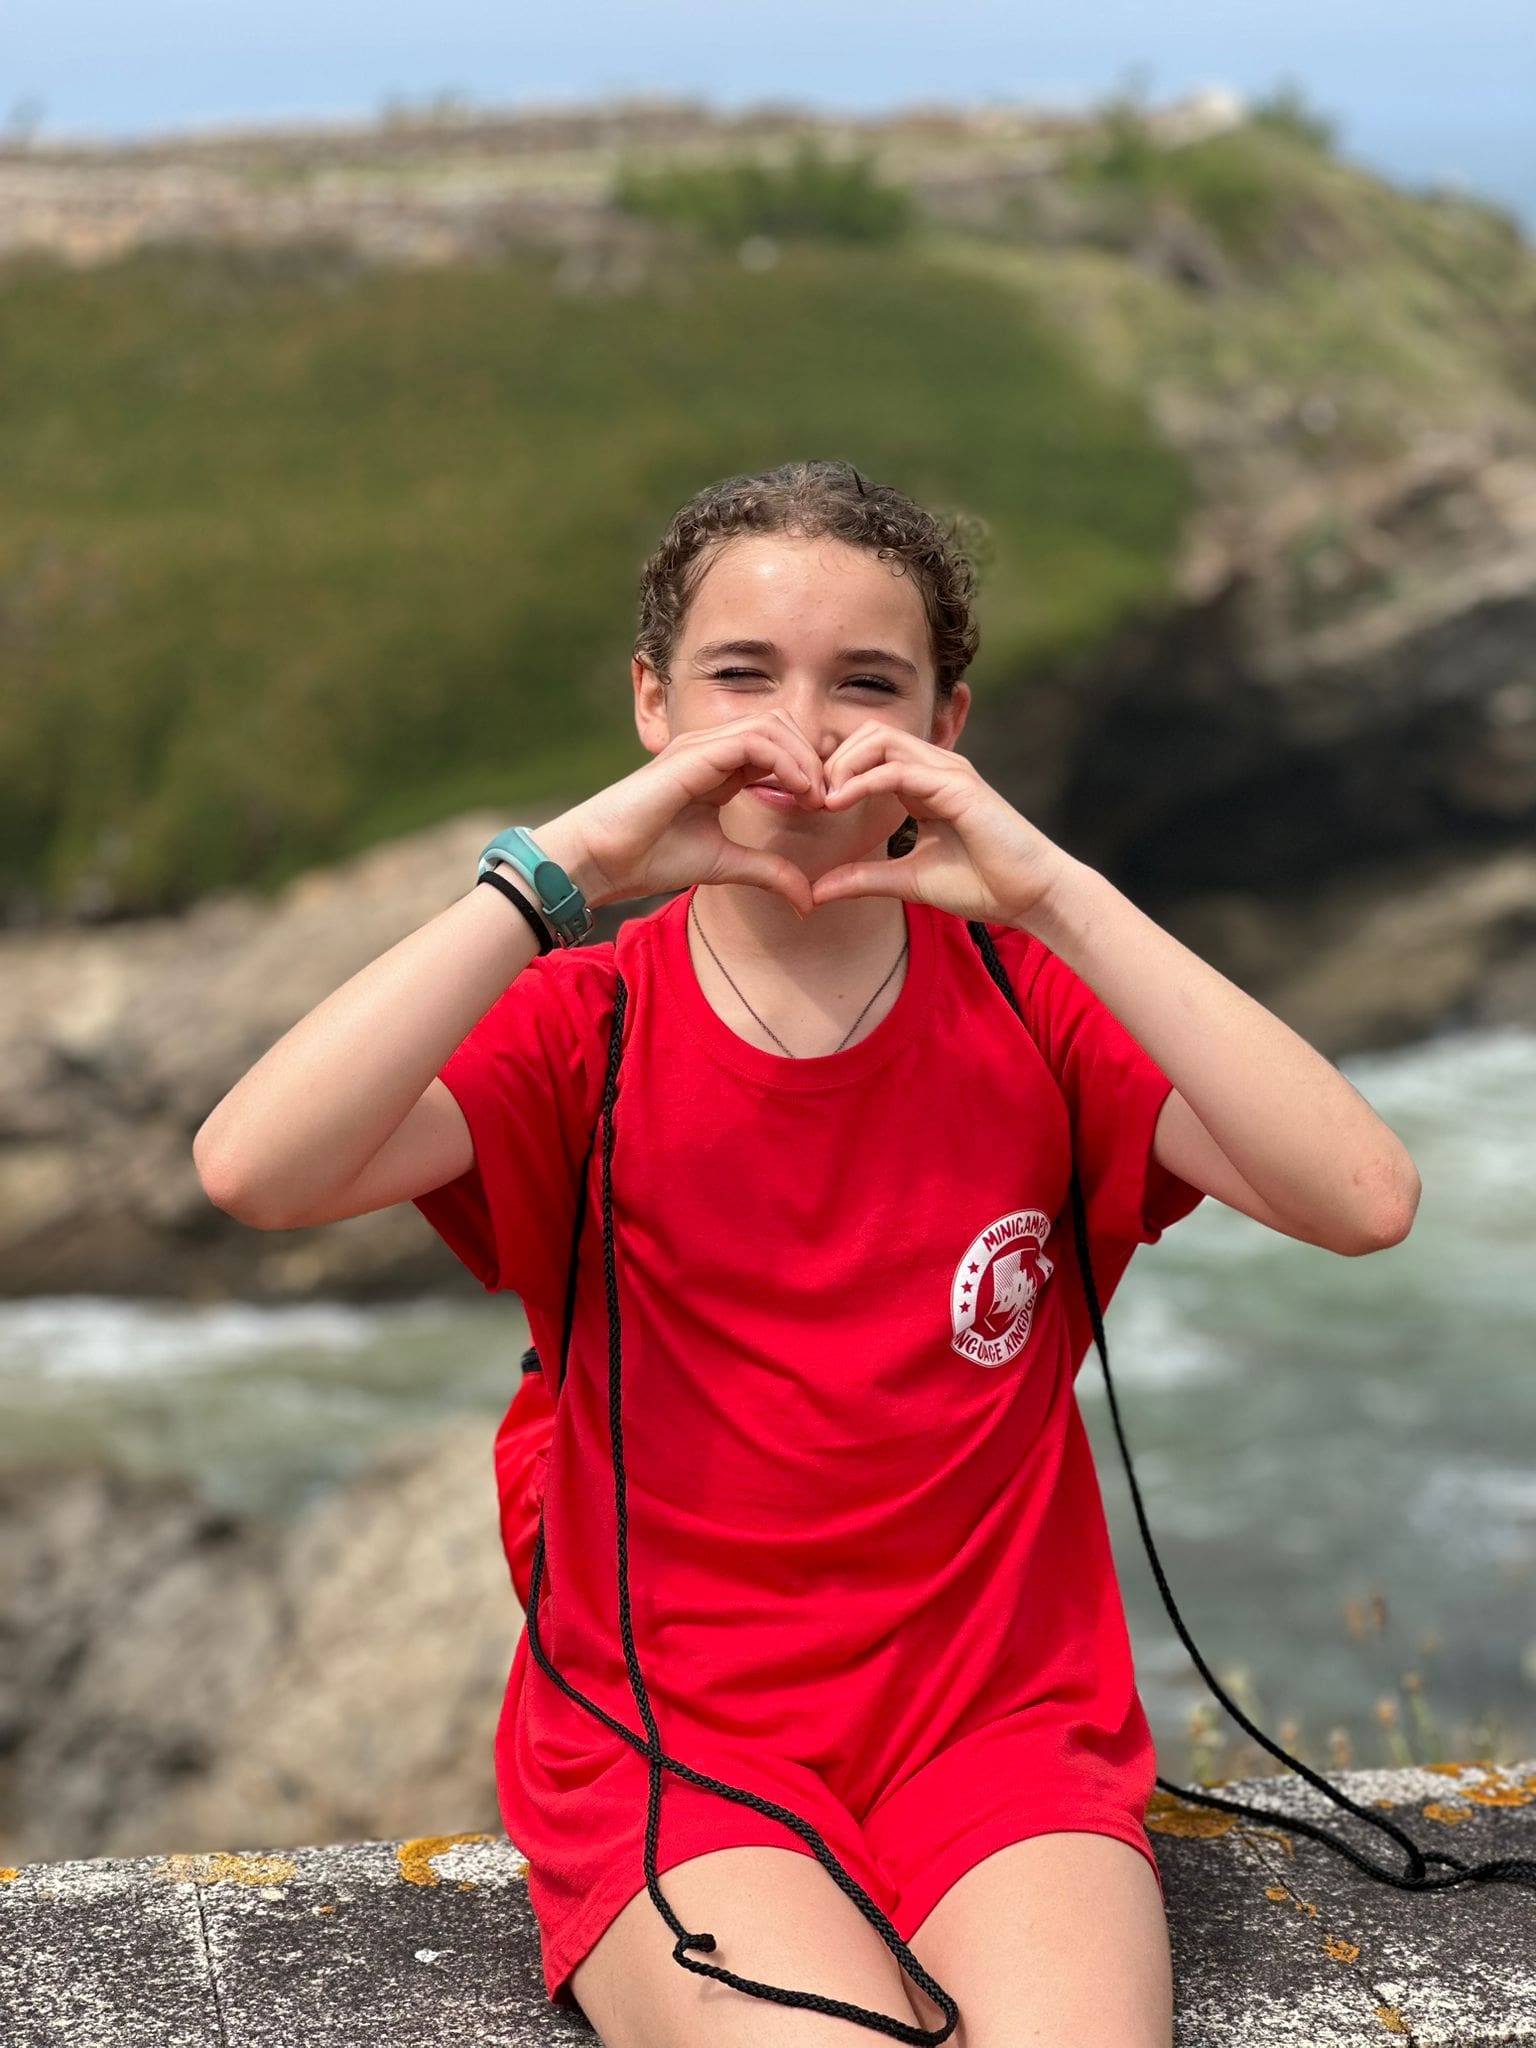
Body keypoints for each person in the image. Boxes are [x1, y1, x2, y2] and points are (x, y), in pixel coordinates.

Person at [194, 459, 1420, 2048]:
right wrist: (558, 871)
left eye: (867, 683)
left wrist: (1053, 892)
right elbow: (252, 1166)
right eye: (740, 677)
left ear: (946, 724)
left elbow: (1362, 1195)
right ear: (653, 702)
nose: (804, 726)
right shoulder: (591, 1023)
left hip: (1002, 1731)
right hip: (673, 1747)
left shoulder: (1032, 1009)